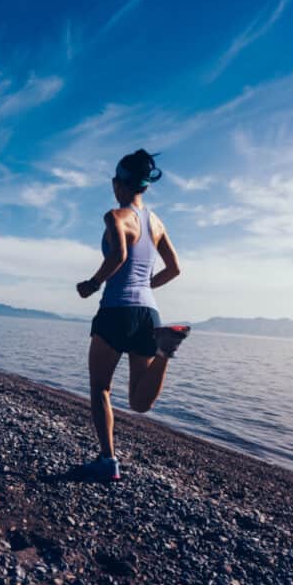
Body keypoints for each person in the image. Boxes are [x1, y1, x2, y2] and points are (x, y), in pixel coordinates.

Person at [76, 149, 190, 481]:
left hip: (115, 311)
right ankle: (164, 351)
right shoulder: (156, 223)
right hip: (148, 313)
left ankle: (107, 461)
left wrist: (92, 284)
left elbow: (120, 256)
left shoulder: (115, 216)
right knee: (140, 402)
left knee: (100, 389)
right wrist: (146, 287)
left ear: (119, 184)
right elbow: (175, 268)